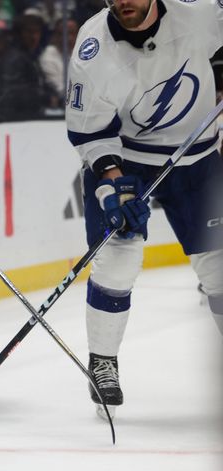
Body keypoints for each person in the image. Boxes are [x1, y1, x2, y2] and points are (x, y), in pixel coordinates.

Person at [66, 0, 223, 417]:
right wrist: (115, 184)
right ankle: (102, 363)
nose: (123, 1)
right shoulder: (94, 47)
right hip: (126, 159)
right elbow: (91, 133)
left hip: (198, 160)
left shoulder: (201, 15)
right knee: (118, 258)